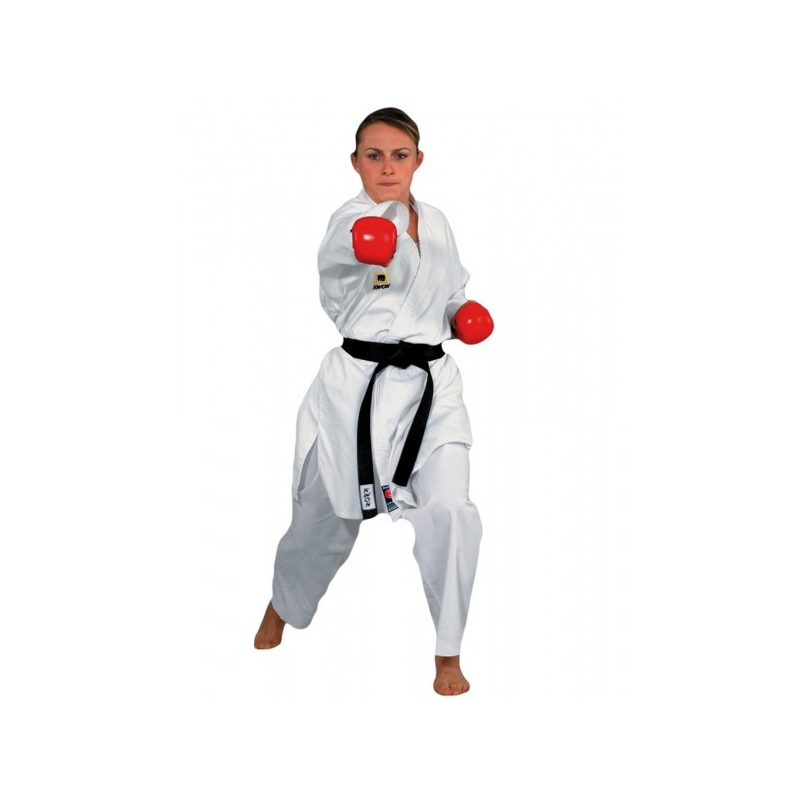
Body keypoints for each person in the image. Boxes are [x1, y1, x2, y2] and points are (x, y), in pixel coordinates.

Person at [254, 108, 494, 695]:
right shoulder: (349, 220)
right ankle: (282, 605)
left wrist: (461, 313)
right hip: (358, 390)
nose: (387, 167)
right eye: (374, 156)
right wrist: (365, 245)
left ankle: (448, 652)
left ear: (418, 160)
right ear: (356, 162)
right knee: (323, 519)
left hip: (432, 390)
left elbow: (451, 287)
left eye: (399, 155)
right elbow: (340, 258)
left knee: (452, 510)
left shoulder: (437, 221)